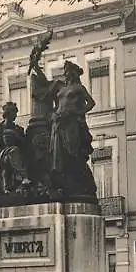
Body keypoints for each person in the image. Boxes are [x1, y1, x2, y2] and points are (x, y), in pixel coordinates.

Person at [48, 60, 98, 198]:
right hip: (58, 123)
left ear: (75, 73)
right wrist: (54, 113)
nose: (67, 74)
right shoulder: (61, 89)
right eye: (66, 72)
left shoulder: (79, 88)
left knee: (72, 152)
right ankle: (63, 184)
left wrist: (76, 112)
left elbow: (91, 103)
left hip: (71, 123)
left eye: (69, 71)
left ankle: (76, 184)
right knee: (58, 154)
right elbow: (57, 104)